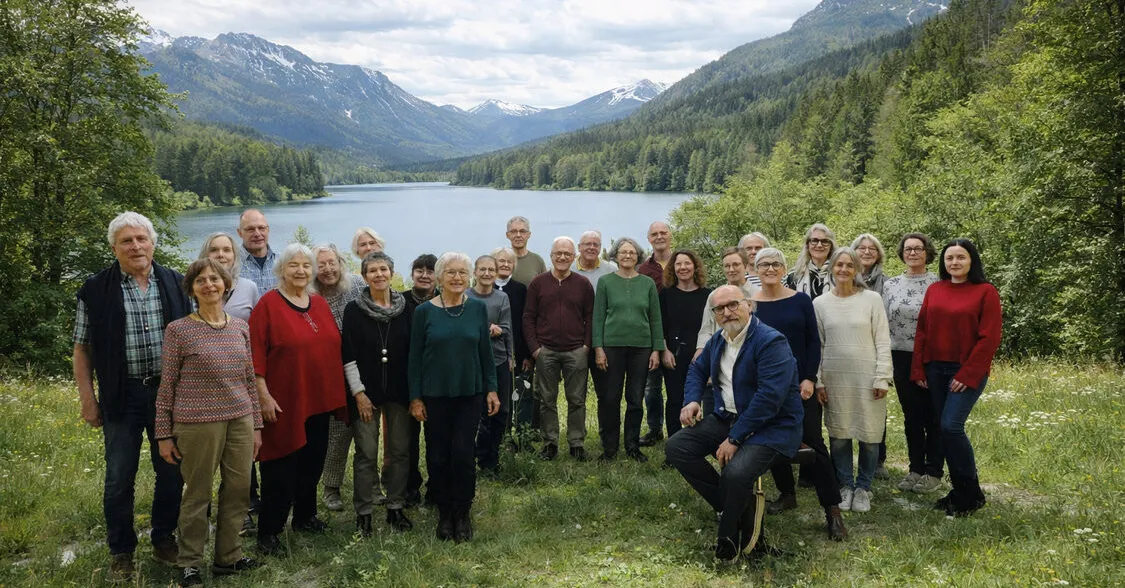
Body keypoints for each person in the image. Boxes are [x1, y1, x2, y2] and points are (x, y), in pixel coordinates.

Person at [73, 212, 189, 581]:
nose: (136, 246)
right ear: (114, 248)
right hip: (121, 397)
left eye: (141, 239)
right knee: (119, 476)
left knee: (171, 472)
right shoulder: (95, 289)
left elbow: (194, 338)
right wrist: (88, 399)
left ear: (152, 243)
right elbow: (82, 349)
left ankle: (163, 538)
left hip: (167, 396)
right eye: (127, 241)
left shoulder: (175, 281)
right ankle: (121, 550)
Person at [664, 285, 804, 563]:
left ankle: (728, 540)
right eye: (719, 309)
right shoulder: (719, 340)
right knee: (677, 446)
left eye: (733, 305)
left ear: (749, 305)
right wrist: (691, 400)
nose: (727, 313)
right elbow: (696, 368)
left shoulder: (770, 341)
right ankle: (736, 511)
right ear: (714, 314)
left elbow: (769, 399)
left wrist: (735, 439)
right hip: (728, 417)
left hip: (773, 426)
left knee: (735, 473)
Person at [155, 259, 263, 586]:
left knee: (239, 490)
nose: (209, 285)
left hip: (240, 421)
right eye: (200, 280)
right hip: (197, 424)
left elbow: (248, 379)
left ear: (225, 284)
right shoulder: (179, 330)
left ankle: (228, 557)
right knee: (197, 494)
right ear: (191, 289)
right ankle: (189, 562)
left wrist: (256, 425)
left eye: (215, 278)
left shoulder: (240, 328)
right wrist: (163, 433)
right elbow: (167, 384)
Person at [250, 243, 347, 555]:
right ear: (282, 270)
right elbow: (254, 357)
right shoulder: (268, 305)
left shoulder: (318, 304)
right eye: (294, 265)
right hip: (283, 401)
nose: (301, 271)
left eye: (307, 265)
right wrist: (262, 396)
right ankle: (269, 532)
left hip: (317, 400)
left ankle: (305, 517)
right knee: (280, 467)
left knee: (312, 461)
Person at [751, 249, 846, 541]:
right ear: (756, 269)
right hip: (764, 387)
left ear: (783, 269)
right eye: (764, 264)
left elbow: (812, 342)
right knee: (772, 440)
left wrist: (809, 378)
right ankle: (787, 493)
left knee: (814, 444)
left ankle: (832, 510)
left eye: (776, 264)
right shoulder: (749, 303)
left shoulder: (801, 300)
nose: (770, 268)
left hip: (799, 386)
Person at [409, 252, 500, 542]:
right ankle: (444, 512)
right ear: (439, 277)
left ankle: (462, 512)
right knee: (437, 456)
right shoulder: (424, 312)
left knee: (463, 453)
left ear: (469, 276)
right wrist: (416, 397)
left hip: (469, 394)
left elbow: (485, 352)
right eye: (451, 272)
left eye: (462, 272)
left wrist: (492, 388)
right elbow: (414, 359)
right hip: (435, 395)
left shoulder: (476, 309)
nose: (457, 277)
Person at [911, 238, 1002, 516]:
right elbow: (923, 331)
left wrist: (968, 372)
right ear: (943, 262)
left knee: (951, 426)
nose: (955, 262)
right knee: (943, 429)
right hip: (935, 369)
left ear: (971, 260)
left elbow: (990, 338)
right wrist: (918, 368)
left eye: (961, 257)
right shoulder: (935, 290)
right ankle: (963, 492)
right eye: (950, 258)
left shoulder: (985, 292)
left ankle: (970, 491)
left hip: (965, 370)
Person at [814, 247, 892, 514]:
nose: (844, 270)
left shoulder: (871, 300)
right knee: (839, 435)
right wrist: (818, 381)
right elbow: (819, 346)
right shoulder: (820, 304)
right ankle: (845, 486)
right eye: (839, 265)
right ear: (832, 269)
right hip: (835, 379)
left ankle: (863, 488)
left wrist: (882, 377)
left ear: (857, 269)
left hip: (868, 377)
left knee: (870, 437)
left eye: (850, 265)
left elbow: (882, 340)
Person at [342, 251, 415, 536]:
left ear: (391, 272)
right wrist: (358, 394)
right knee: (366, 454)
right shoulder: (353, 310)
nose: (379, 275)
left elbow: (413, 353)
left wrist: (415, 393)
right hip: (366, 394)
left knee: (399, 451)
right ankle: (364, 513)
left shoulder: (406, 307)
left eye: (383, 269)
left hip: (400, 392)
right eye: (372, 271)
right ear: (364, 276)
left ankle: (396, 507)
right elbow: (347, 355)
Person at [593, 237, 664, 462]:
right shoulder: (605, 282)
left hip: (641, 348)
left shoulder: (647, 283)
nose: (627, 256)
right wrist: (598, 348)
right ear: (615, 255)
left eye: (632, 253)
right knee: (610, 397)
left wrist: (656, 349)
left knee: (635, 398)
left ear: (638, 256)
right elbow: (597, 318)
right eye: (623, 252)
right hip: (611, 346)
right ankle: (610, 448)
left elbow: (655, 319)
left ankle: (632, 446)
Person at [525, 237, 595, 461]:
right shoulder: (538, 283)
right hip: (547, 351)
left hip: (576, 351)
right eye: (558, 254)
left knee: (577, 399)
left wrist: (586, 346)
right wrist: (536, 349)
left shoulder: (583, 283)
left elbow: (590, 317)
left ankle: (576, 443)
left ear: (574, 257)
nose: (563, 257)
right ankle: (550, 443)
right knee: (547, 399)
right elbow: (528, 317)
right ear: (551, 256)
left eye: (567, 254)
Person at [883, 233, 942, 495]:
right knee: (912, 416)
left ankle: (934, 471)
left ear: (928, 252)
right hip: (900, 355)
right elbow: (882, 322)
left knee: (934, 415)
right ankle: (915, 468)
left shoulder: (939, 284)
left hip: (932, 355)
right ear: (902, 253)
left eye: (919, 248)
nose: (913, 253)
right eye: (908, 249)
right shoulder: (891, 284)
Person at [312, 244, 369, 513]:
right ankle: (331, 487)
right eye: (321, 264)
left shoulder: (357, 285)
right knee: (337, 434)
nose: (327, 269)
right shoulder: (310, 296)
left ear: (340, 263)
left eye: (331, 263)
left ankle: (373, 484)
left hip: (363, 368)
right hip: (331, 374)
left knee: (368, 432)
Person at [467, 255, 514, 475]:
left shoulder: (501, 297)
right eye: (482, 269)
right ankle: (476, 455)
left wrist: (511, 355)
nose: (487, 274)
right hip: (472, 362)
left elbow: (506, 328)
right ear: (475, 272)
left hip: (499, 359)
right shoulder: (466, 296)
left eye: (491, 270)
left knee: (501, 410)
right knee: (479, 412)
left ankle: (493, 458)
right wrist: (488, 329)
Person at [657, 249, 711, 443]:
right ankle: (674, 444)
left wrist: (702, 350)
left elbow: (711, 327)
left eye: (687, 263)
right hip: (673, 355)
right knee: (674, 400)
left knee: (700, 400)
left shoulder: (708, 295)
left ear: (695, 266)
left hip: (701, 355)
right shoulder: (666, 295)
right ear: (673, 268)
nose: (683, 268)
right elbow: (660, 324)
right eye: (678, 264)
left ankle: (698, 443)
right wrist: (664, 350)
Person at [399, 253, 437, 505]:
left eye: (430, 270)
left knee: (436, 437)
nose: (424, 275)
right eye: (419, 270)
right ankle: (410, 487)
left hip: (436, 378)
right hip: (405, 378)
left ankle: (436, 487)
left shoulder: (447, 301)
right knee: (406, 439)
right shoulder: (399, 302)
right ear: (412, 274)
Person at [493, 247, 534, 449]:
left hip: (518, 352)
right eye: (501, 261)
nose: (505, 265)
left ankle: (525, 437)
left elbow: (525, 323)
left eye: (509, 262)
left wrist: (526, 354)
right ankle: (504, 437)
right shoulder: (484, 288)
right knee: (501, 396)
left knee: (522, 395)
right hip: (493, 355)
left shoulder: (520, 290)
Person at [638, 222, 672, 447]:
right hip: (650, 334)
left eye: (663, 233)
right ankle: (655, 429)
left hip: (679, 332)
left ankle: (682, 430)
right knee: (651, 387)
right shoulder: (643, 269)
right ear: (649, 239)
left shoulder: (682, 262)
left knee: (678, 386)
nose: (659, 237)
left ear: (670, 236)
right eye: (654, 234)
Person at [695, 247, 758, 361]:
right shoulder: (714, 296)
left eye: (736, 264)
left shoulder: (758, 294)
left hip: (753, 354)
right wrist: (701, 351)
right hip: (721, 355)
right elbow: (706, 329)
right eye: (727, 266)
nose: (731, 269)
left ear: (745, 265)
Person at [199, 232, 260, 322]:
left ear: (234, 255)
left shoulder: (249, 287)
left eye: (226, 250)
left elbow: (257, 326)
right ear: (205, 255)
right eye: (214, 250)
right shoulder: (195, 287)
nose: (220, 254)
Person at [786, 223, 836, 301]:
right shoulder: (794, 275)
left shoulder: (840, 273)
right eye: (814, 241)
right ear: (807, 245)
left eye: (825, 241)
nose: (819, 245)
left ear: (831, 246)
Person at [237, 209, 277, 293]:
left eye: (262, 228)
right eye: (250, 229)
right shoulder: (232, 264)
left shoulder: (282, 262)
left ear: (268, 230)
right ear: (240, 233)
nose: (257, 234)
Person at [506, 216, 547, 286]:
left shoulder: (537, 260)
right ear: (507, 235)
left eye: (522, 231)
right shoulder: (501, 260)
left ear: (528, 235)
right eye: (513, 231)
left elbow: (545, 287)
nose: (518, 235)